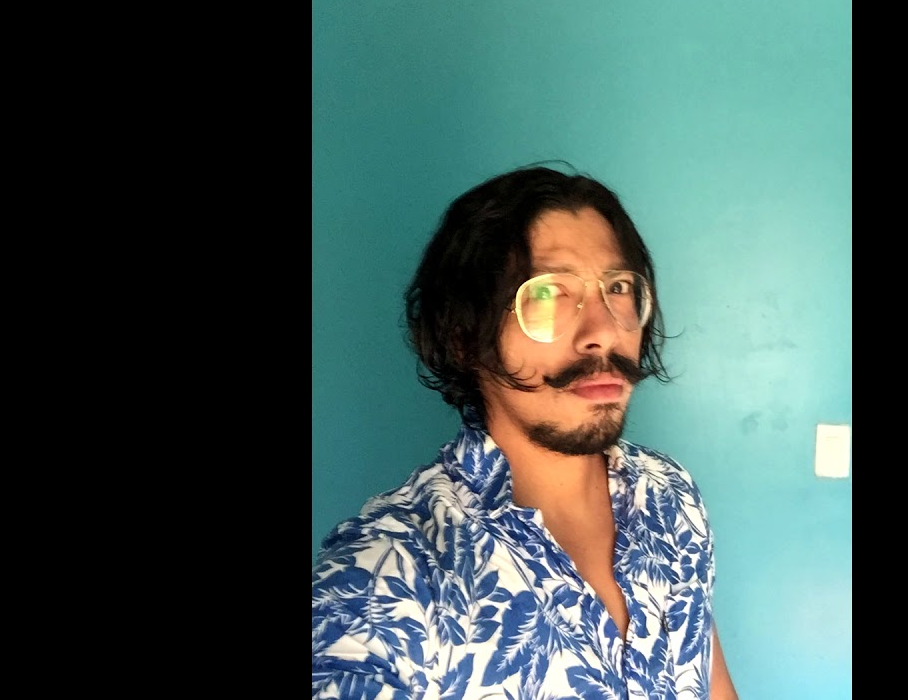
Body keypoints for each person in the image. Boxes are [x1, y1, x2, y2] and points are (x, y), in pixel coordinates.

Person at [312, 166, 739, 699]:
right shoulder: (387, 576)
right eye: (548, 293)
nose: (604, 331)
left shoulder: (671, 494)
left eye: (618, 287)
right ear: (464, 338)